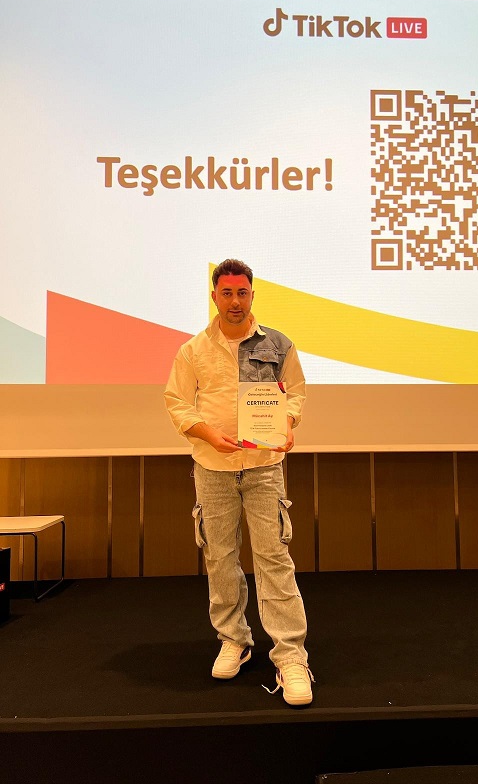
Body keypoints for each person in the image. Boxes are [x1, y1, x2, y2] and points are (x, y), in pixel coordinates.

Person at [164, 258, 313, 706]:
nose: (235, 301)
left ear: (252, 295)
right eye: (226, 293)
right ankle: (234, 640)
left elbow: (295, 393)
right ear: (215, 296)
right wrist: (208, 434)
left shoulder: (278, 344)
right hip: (212, 468)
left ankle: (291, 656)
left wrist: (287, 424)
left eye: (242, 293)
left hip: (264, 466)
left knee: (274, 557)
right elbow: (177, 402)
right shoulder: (193, 350)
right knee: (220, 557)